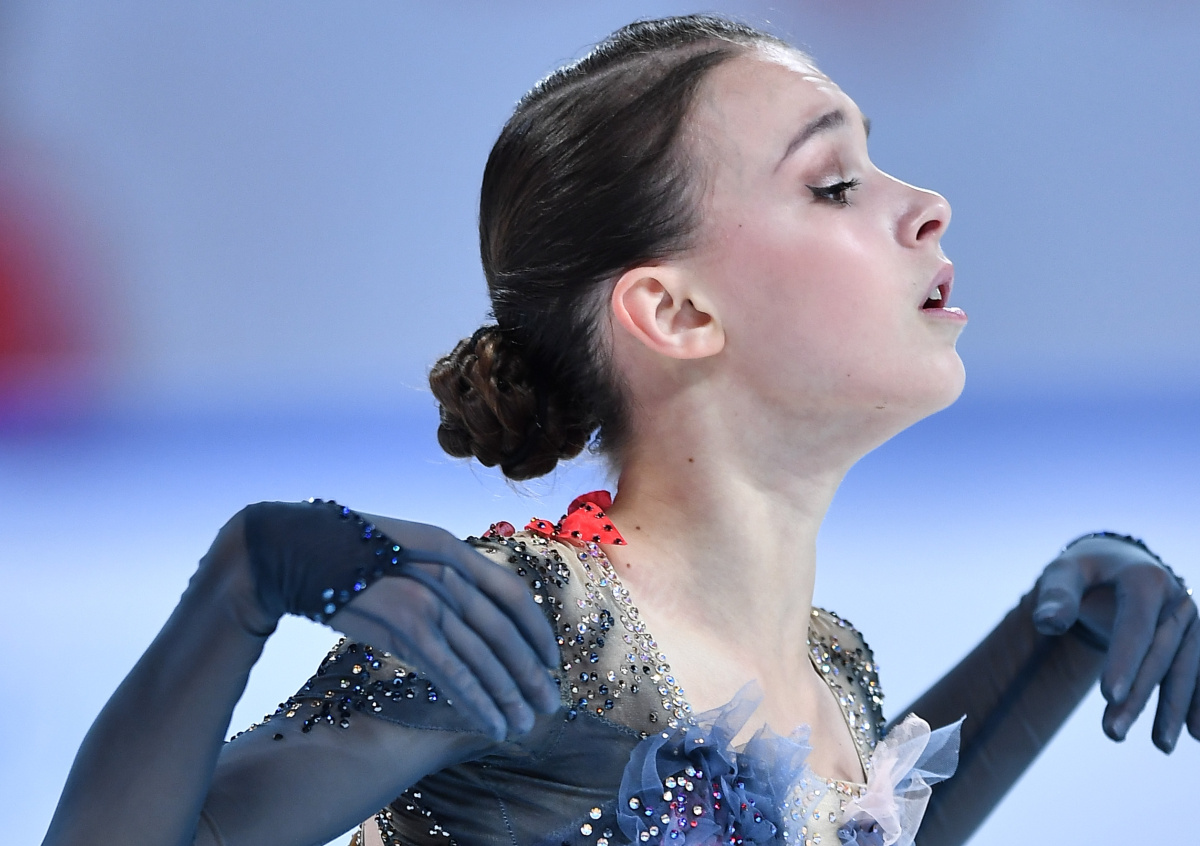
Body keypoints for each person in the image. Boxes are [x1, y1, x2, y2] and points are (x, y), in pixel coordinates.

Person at [40, 14, 1200, 846]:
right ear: (676, 312)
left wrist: (1057, 642)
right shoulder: (535, 626)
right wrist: (242, 584)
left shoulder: (832, 668)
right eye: (834, 183)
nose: (928, 204)